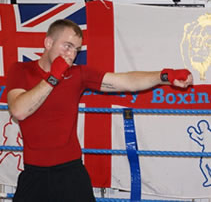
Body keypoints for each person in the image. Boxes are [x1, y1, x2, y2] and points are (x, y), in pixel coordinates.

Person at [6, 19, 193, 202]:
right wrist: (53, 77)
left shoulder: (78, 74)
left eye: (76, 50)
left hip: (71, 172)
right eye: (67, 46)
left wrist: (165, 76)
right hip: (34, 173)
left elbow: (126, 80)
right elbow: (19, 110)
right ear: (48, 42)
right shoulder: (21, 70)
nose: (71, 55)